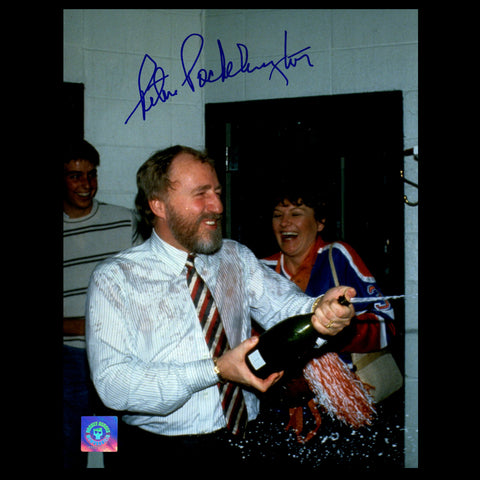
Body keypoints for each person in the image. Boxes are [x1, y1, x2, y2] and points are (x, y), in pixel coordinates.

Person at [85, 145, 356, 471]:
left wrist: (321, 311)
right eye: (201, 194)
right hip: (159, 451)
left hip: (244, 438)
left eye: (216, 192)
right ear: (159, 205)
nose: (217, 206)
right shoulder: (114, 278)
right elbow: (114, 387)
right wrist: (213, 370)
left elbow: (283, 305)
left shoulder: (235, 256)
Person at [249, 184, 396, 468]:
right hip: (280, 411)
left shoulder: (337, 257)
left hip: (342, 409)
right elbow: (250, 343)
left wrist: (336, 331)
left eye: (296, 213)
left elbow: (386, 324)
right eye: (278, 215)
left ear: (320, 222)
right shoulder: (260, 269)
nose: (285, 223)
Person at [63, 139, 142, 469]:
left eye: (91, 175)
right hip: (72, 359)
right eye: (75, 176)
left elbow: (145, 286)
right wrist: (81, 326)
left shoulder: (123, 221)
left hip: (115, 353)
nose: (86, 185)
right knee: (72, 445)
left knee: (107, 444)